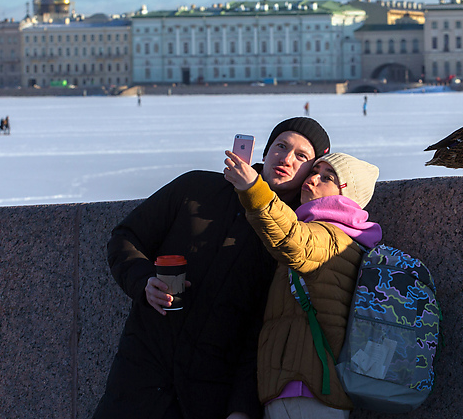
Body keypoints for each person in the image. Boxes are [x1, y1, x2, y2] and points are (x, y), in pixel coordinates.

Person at [94, 117, 331, 419]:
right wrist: (143, 282)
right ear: (265, 150)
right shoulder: (196, 188)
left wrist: (241, 408)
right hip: (140, 375)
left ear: (311, 171)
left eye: (301, 155)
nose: (285, 158)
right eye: (281, 146)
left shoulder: (293, 238)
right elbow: (126, 238)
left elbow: (260, 333)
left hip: (206, 395)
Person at [224, 151, 381, 419]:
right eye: (314, 172)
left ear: (347, 195)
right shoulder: (341, 236)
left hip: (305, 390)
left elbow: (292, 238)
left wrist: (254, 190)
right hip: (303, 388)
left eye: (327, 177)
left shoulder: (332, 238)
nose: (312, 179)